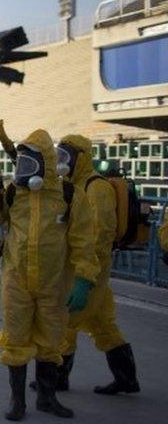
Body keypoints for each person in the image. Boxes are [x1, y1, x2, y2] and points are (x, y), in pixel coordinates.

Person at [0, 129, 99, 422]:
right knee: (15, 339)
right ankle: (18, 401)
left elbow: (83, 240)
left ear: (46, 165)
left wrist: (84, 278)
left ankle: (46, 397)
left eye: (29, 166)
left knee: (51, 340)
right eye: (20, 165)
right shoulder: (14, 193)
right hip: (16, 279)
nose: (23, 173)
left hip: (54, 282)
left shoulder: (69, 195)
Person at [48, 135, 140, 395]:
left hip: (90, 271)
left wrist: (84, 277)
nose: (62, 163)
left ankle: (57, 378)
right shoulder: (70, 185)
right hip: (85, 268)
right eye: (59, 156)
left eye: (66, 157)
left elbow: (100, 235)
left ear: (82, 158)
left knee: (66, 320)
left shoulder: (96, 188)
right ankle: (127, 379)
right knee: (102, 324)